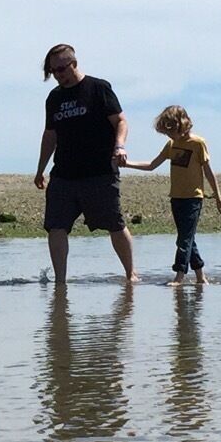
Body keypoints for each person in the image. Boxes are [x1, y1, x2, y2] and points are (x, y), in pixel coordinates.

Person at [33, 43, 135, 285]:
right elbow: (50, 135)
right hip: (64, 175)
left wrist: (119, 146)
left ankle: (131, 275)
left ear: (74, 64)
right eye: (54, 71)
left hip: (99, 173)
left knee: (114, 224)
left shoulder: (98, 88)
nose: (59, 75)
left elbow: (120, 121)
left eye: (62, 69)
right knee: (56, 227)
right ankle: (60, 282)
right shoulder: (54, 98)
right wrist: (40, 169)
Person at [126, 103, 221, 284]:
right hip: (176, 198)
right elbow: (152, 165)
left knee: (184, 238)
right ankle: (201, 278)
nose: (168, 136)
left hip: (193, 198)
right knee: (188, 237)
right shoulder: (171, 145)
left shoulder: (198, 144)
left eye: (170, 131)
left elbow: (208, 171)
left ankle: (179, 276)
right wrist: (127, 164)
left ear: (181, 125)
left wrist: (218, 197)